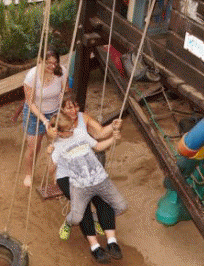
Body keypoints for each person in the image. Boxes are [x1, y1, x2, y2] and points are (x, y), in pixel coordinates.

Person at [49, 111, 127, 264]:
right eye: (68, 130)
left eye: (72, 127)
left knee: (120, 206)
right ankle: (91, 243)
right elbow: (51, 170)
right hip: (78, 184)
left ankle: (103, 228)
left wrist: (113, 139)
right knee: (80, 214)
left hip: (98, 179)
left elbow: (97, 146)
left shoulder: (79, 133)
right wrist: (48, 154)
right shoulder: (56, 145)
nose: (72, 131)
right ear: (59, 132)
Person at [22, 48, 68, 187]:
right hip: (35, 114)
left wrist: (61, 110)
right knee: (33, 147)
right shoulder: (32, 76)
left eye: (55, 63)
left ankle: (56, 176)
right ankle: (29, 174)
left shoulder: (62, 72)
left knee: (56, 146)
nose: (52, 66)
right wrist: (43, 120)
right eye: (48, 63)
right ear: (40, 61)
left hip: (54, 112)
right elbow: (29, 102)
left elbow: (65, 93)